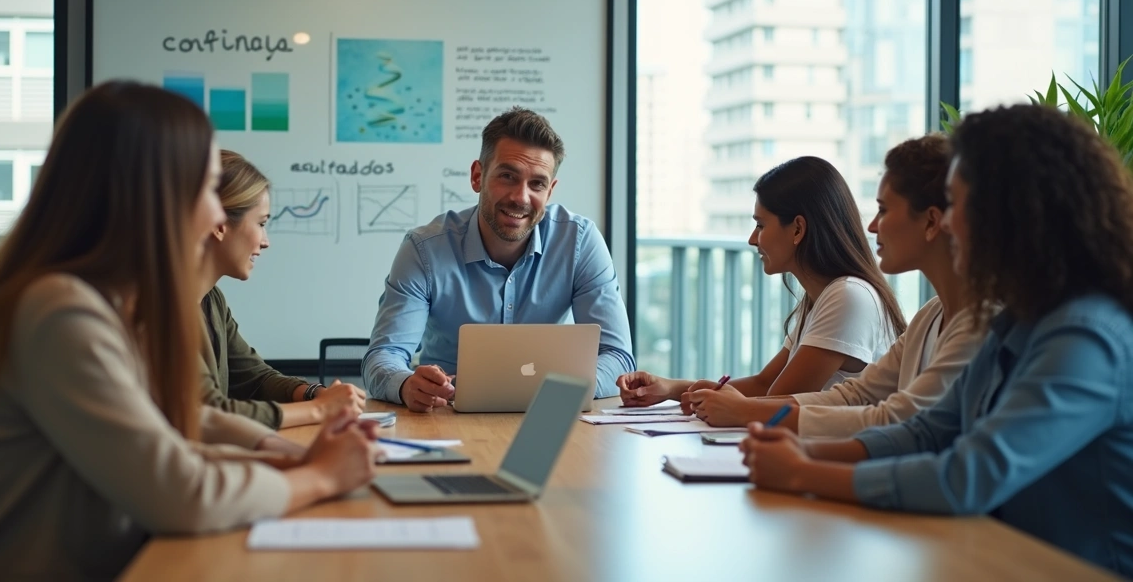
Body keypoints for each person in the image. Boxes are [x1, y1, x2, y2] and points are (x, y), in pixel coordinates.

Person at [0, 81, 379, 581]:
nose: (217, 214)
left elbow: (175, 426)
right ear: (154, 195)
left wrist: (286, 457)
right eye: (207, 188)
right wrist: (319, 477)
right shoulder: (58, 312)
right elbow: (181, 493)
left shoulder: (102, 305)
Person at [741, 104, 1133, 576]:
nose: (945, 223)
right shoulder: (1022, 319)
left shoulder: (1085, 336)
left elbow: (969, 476)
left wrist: (802, 472)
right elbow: (928, 431)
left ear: (1011, 214)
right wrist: (806, 451)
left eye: (956, 204)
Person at [686, 135, 991, 437]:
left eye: (883, 210)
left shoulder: (979, 323)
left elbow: (897, 418)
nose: (872, 226)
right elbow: (854, 396)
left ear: (932, 222)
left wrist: (754, 418)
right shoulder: (929, 316)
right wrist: (734, 406)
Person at [362, 106, 634, 412]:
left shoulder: (579, 242)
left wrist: (558, 393)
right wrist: (406, 384)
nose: (521, 197)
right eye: (507, 176)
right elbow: (383, 357)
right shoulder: (424, 249)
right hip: (446, 417)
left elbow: (618, 357)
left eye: (537, 184)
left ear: (550, 191)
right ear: (477, 176)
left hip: (549, 416)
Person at [618, 156, 906, 404]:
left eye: (760, 225)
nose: (752, 239)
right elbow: (764, 384)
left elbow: (774, 402)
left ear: (798, 229)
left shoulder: (848, 296)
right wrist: (671, 389)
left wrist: (715, 401)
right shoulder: (824, 297)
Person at [198, 150, 366, 429]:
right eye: (261, 224)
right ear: (219, 225)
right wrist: (319, 409)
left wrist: (314, 393)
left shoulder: (211, 300)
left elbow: (255, 377)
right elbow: (210, 413)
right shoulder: (161, 309)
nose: (265, 241)